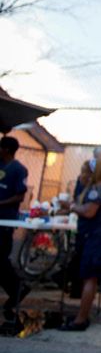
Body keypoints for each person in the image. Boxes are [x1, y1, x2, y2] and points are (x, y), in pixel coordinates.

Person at [58, 158, 101, 331]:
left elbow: (89, 212)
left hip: (99, 238)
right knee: (89, 277)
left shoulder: (97, 189)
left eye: (84, 171)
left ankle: (81, 319)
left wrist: (72, 206)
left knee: (90, 278)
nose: (81, 174)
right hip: (99, 237)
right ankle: (82, 315)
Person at [0, 136, 30, 320]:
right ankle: (16, 289)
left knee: (1, 257)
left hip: (6, 221)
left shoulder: (19, 170)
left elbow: (20, 195)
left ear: (7, 150)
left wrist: (1, 203)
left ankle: (18, 288)